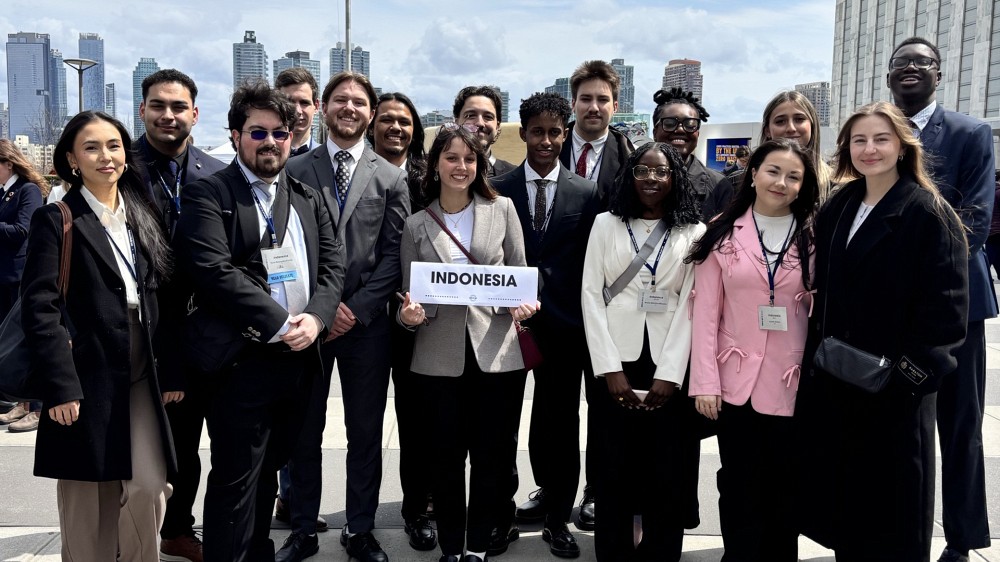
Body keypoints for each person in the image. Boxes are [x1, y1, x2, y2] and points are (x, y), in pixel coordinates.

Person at [173, 80, 344, 562]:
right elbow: (212, 270)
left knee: (270, 469)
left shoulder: (307, 197)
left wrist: (315, 319)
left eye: (280, 133)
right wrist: (281, 324)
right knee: (236, 477)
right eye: (257, 133)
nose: (270, 142)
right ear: (234, 136)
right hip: (240, 362)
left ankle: (257, 552)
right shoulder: (209, 194)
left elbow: (333, 267)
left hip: (301, 361)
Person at [795, 101, 969, 561]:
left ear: (902, 146)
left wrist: (904, 382)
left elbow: (946, 318)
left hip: (894, 397)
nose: (869, 149)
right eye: (859, 140)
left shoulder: (929, 213)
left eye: (880, 139)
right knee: (848, 518)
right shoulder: (840, 206)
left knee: (893, 522)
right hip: (839, 384)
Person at [22, 110, 176, 561]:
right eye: (91, 147)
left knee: (149, 486)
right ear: (71, 159)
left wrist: (173, 370)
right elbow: (40, 306)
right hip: (83, 368)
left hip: (141, 365)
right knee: (89, 501)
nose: (105, 156)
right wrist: (60, 386)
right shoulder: (57, 219)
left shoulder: (142, 214)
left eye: (113, 145)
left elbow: (162, 296)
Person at [397, 124, 538, 562]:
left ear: (481, 165)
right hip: (438, 356)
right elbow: (409, 292)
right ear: (436, 164)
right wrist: (408, 316)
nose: (461, 167)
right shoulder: (416, 224)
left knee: (492, 457)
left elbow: (520, 271)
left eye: (470, 159)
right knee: (444, 458)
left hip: (496, 352)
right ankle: (451, 547)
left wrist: (525, 304)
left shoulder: (504, 210)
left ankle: (477, 546)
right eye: (452, 158)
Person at [284, 71, 410, 562]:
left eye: (359, 101)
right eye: (340, 100)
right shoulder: (295, 167)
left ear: (371, 112)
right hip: (307, 324)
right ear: (323, 106)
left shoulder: (390, 175)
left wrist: (352, 311)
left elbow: (394, 254)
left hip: (365, 328)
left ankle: (360, 529)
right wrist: (319, 310)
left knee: (364, 433)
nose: (350, 108)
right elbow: (284, 246)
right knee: (304, 432)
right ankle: (302, 529)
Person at [886, 36, 997, 562]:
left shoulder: (971, 133)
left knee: (959, 425)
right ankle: (897, 532)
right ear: (889, 77)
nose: (911, 69)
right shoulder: (878, 133)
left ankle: (962, 538)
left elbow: (975, 216)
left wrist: (930, 283)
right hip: (890, 307)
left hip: (956, 303)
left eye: (921, 62)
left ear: (939, 74)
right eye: (901, 63)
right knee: (899, 428)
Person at [687, 139, 820, 561]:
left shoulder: (814, 234)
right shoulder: (723, 230)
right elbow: (706, 314)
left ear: (804, 185)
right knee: (739, 482)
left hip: (792, 382)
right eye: (773, 171)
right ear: (754, 173)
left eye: (794, 176)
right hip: (733, 382)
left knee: (786, 484)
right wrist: (705, 382)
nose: (781, 182)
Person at [580, 142, 705, 562]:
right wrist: (608, 368)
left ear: (675, 178)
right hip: (615, 359)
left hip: (668, 363)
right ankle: (613, 553)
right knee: (613, 468)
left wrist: (671, 373)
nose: (651, 179)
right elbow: (590, 297)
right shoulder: (605, 224)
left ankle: (660, 553)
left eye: (661, 172)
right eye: (643, 171)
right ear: (629, 175)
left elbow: (693, 304)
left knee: (667, 470)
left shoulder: (694, 232)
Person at [493, 92, 601, 559]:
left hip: (563, 327)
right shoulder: (497, 188)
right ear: (523, 133)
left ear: (566, 133)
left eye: (556, 132)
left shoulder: (587, 192)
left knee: (558, 426)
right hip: (505, 324)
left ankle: (558, 518)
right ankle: (498, 517)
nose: (547, 140)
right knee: (499, 426)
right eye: (537, 131)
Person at [133, 67, 227, 562]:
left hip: (212, 329)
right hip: (145, 331)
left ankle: (188, 526)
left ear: (195, 113)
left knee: (208, 443)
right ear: (143, 110)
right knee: (165, 447)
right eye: (158, 106)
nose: (168, 115)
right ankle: (157, 530)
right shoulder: (120, 169)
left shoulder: (216, 171)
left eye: (178, 107)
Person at [366, 90, 438, 552]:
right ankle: (360, 515)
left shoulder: (428, 177)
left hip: (423, 319)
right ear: (373, 124)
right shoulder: (357, 173)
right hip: (367, 317)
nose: (396, 128)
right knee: (368, 424)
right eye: (387, 119)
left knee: (419, 421)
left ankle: (421, 508)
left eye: (405, 122)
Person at [272, 66, 329, 538]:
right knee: (293, 426)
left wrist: (333, 307)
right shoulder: (271, 162)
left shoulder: (326, 163)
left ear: (317, 108)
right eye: (287, 100)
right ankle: (291, 504)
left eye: (303, 101)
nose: (296, 109)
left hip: (335, 311)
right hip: (285, 319)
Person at [0, 139, 46, 432]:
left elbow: (22, 230)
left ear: (8, 164)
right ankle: (20, 401)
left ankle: (39, 405)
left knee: (27, 340)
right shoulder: (3, 193)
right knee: (8, 343)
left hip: (19, 277)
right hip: (2, 277)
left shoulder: (27, 191)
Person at [652, 87, 733, 220]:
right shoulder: (633, 179)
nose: (679, 129)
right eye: (670, 123)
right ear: (655, 132)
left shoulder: (719, 186)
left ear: (698, 133)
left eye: (689, 124)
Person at [757, 91, 832, 198]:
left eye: (799, 119)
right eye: (780, 121)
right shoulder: (738, 181)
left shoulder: (835, 186)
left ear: (812, 126)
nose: (791, 128)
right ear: (767, 131)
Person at [453, 86, 515, 178]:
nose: (480, 123)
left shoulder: (514, 176)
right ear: (456, 122)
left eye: (488, 117)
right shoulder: (432, 171)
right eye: (470, 115)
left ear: (497, 126)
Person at [276, 67, 321, 157]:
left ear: (316, 106)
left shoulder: (329, 158)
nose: (297, 111)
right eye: (289, 103)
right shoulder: (263, 158)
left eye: (304, 103)